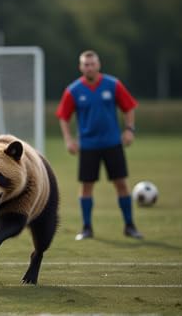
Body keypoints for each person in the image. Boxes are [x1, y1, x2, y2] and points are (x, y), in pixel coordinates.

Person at [56, 50, 143, 240]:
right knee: (86, 186)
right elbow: (63, 116)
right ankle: (87, 228)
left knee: (121, 183)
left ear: (98, 65)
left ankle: (130, 226)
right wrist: (69, 139)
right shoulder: (74, 90)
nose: (89, 67)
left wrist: (129, 129)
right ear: (81, 67)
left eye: (92, 63)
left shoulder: (113, 85)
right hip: (88, 145)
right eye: (86, 64)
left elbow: (128, 107)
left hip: (112, 143)